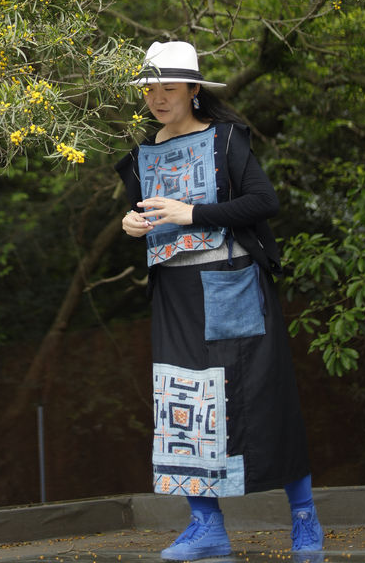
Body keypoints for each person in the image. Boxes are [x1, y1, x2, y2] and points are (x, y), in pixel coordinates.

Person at [115, 40, 324, 561]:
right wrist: (132, 225)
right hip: (175, 294)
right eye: (150, 89)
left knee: (262, 399)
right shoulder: (142, 153)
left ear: (193, 90)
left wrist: (194, 213)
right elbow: (143, 215)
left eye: (168, 88)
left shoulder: (225, 139)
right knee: (182, 402)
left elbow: (264, 202)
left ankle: (304, 519)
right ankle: (206, 526)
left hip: (232, 281)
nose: (158, 98)